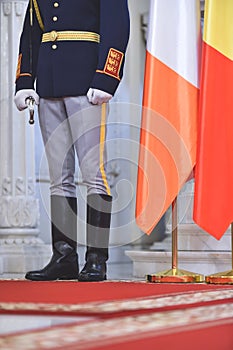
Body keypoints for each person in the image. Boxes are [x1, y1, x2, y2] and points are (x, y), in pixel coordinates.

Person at [14, 0, 130, 282]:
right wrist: (25, 81)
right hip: (49, 83)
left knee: (94, 174)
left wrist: (106, 77)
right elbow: (31, 33)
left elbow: (117, 27)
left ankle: (96, 260)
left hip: (87, 82)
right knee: (58, 177)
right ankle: (64, 256)